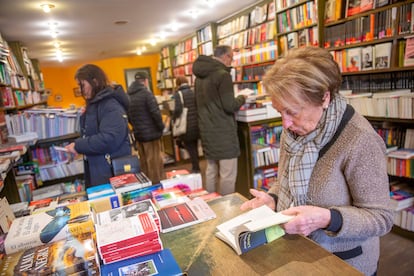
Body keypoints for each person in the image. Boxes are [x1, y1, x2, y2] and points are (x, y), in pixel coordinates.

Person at [240, 46, 394, 276]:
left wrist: (327, 218)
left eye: (292, 111)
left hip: (342, 264)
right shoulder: (293, 131)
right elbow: (285, 179)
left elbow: (381, 218)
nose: (285, 123)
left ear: (324, 97)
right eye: (279, 111)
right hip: (297, 253)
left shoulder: (360, 140)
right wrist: (272, 198)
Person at [65, 64, 131, 188]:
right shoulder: (96, 104)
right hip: (101, 168)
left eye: (82, 85)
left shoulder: (110, 105)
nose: (81, 89)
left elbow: (109, 139)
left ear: (94, 81)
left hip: (111, 172)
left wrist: (78, 145)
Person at [193, 45, 246, 195]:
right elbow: (229, 105)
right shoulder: (223, 75)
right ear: (225, 57)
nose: (232, 60)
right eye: (231, 57)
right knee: (228, 175)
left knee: (211, 170)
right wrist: (243, 98)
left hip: (207, 130)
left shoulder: (199, 77)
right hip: (223, 132)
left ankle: (210, 203)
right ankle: (227, 209)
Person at [127, 71, 165, 184]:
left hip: (139, 134)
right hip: (152, 134)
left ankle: (146, 184)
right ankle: (156, 185)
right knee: (154, 163)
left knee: (144, 162)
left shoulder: (128, 95)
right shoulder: (147, 94)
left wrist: (136, 126)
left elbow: (128, 116)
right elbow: (155, 113)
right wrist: (161, 127)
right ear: (146, 81)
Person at [172, 75, 200, 173]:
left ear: (178, 84)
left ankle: (195, 168)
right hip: (196, 123)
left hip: (186, 125)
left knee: (189, 146)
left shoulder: (178, 94)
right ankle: (197, 165)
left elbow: (178, 109)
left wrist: (173, 118)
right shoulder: (193, 91)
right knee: (195, 145)